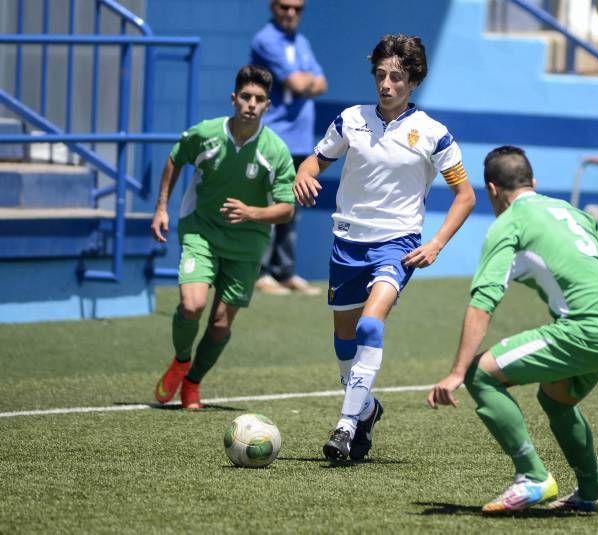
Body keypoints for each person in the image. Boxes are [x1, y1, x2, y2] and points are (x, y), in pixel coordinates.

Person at [293, 34, 476, 461]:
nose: (386, 84)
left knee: (369, 327)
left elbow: (465, 195)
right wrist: (303, 174)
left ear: (412, 81)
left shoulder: (433, 133)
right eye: (380, 75)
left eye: (396, 76)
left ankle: (344, 425)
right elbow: (315, 160)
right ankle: (367, 409)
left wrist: (435, 243)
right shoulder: (350, 119)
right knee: (343, 343)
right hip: (347, 243)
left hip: (397, 244)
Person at [427, 146, 598, 514]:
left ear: (492, 190)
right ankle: (593, 492)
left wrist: (458, 372)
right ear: (533, 182)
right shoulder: (570, 211)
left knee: (481, 375)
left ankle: (532, 475)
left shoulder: (508, 223)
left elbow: (483, 301)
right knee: (556, 397)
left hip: (587, 329)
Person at [150, 65, 296, 409]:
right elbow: (176, 157)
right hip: (202, 231)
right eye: (245, 96)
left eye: (259, 99)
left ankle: (192, 383)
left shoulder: (275, 151)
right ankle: (182, 359)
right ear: (234, 99)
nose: (251, 104)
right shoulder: (206, 134)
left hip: (247, 245)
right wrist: (161, 208)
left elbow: (287, 208)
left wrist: (252, 213)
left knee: (218, 325)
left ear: (267, 106)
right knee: (192, 305)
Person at [250, 0, 327, 296]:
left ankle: (285, 272)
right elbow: (297, 83)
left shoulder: (302, 42)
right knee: (270, 204)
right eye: (285, 6)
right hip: (273, 136)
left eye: (297, 8)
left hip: (300, 140)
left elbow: (322, 84)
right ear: (273, 7)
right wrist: (305, 81)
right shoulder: (266, 39)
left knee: (292, 207)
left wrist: (306, 82)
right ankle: (261, 272)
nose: (291, 13)